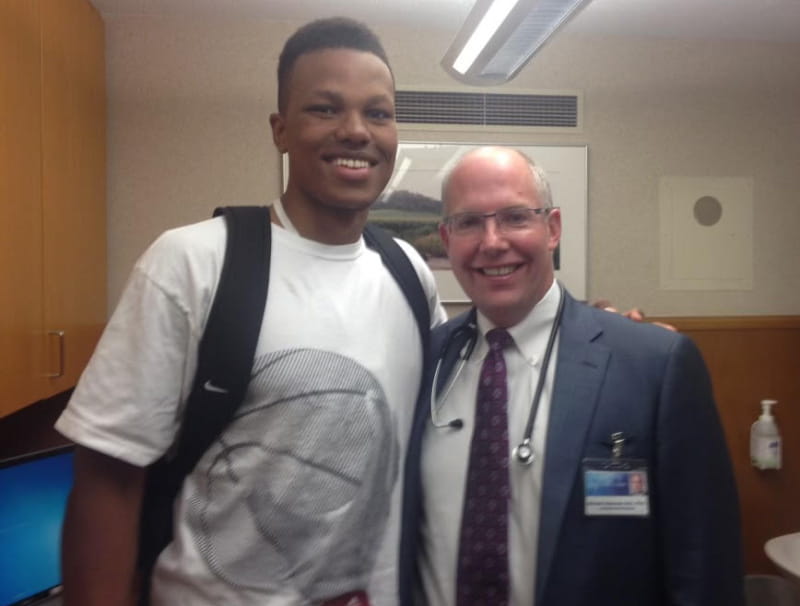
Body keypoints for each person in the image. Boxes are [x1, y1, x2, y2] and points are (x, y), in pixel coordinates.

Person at [55, 17, 446, 606]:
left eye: (379, 113)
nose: (356, 131)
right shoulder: (195, 261)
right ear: (280, 130)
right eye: (325, 109)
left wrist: (594, 333)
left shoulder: (408, 273)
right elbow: (107, 481)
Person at [399, 147, 745, 606]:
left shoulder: (654, 366)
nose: (492, 241)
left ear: (553, 229)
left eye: (515, 217)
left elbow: (704, 568)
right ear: (445, 238)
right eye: (468, 223)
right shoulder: (424, 361)